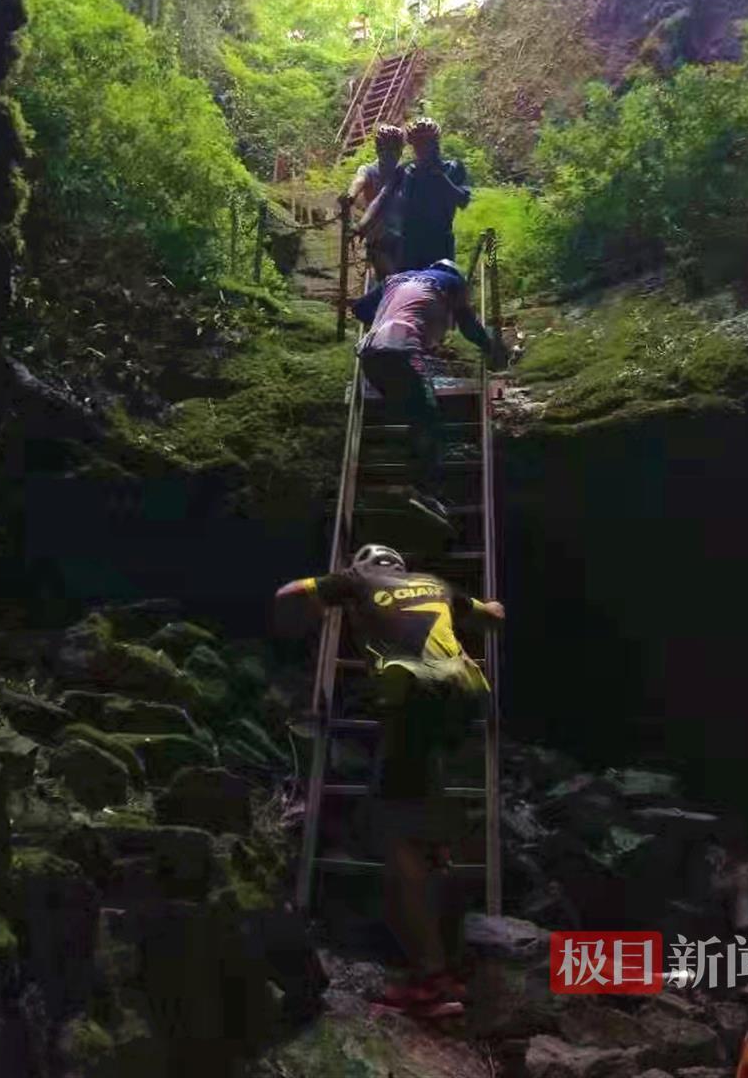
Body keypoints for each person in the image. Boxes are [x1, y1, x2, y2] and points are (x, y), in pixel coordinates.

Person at [275, 543, 505, 1019]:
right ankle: (449, 952)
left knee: (396, 838)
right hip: (462, 702)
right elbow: (493, 617)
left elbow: (289, 593)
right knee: (425, 821)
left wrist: (322, 608)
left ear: (363, 564)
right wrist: (488, 608)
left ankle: (430, 982)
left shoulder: (357, 579)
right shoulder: (437, 585)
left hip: (415, 698)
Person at [352, 258, 507, 533]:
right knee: (430, 418)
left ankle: (406, 487)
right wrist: (491, 348)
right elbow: (469, 325)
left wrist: (387, 320)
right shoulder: (450, 281)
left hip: (371, 356)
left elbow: (360, 308)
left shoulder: (396, 279)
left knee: (416, 414)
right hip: (403, 351)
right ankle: (424, 492)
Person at [398, 117, 472, 271]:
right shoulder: (407, 171)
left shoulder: (452, 168)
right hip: (410, 244)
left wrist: (440, 177)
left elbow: (463, 201)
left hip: (440, 242)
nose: (421, 148)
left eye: (426, 143)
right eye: (417, 144)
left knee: (442, 283)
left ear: (435, 144)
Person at [340, 123, 406, 280]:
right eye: (386, 149)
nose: (390, 154)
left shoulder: (405, 173)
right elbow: (359, 181)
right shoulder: (369, 170)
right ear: (378, 149)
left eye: (394, 149)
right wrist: (350, 196)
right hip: (377, 236)